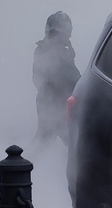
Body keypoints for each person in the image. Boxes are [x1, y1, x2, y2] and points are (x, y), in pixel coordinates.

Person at [33, 11, 82, 145]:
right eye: (68, 30)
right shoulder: (50, 50)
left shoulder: (62, 48)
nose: (70, 33)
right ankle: (26, 164)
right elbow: (68, 75)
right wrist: (83, 85)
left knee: (66, 140)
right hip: (52, 103)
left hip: (57, 102)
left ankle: (30, 162)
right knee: (48, 139)